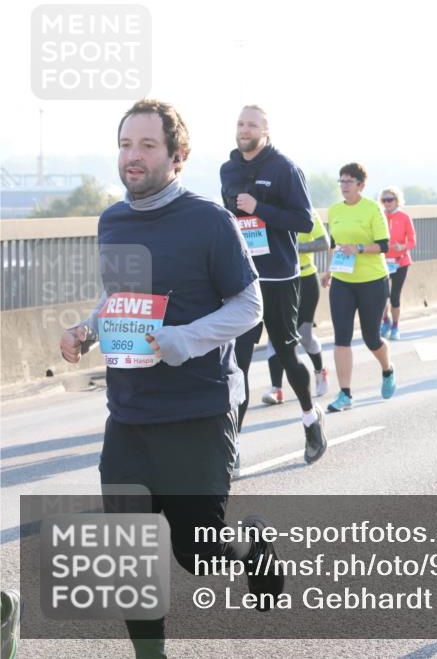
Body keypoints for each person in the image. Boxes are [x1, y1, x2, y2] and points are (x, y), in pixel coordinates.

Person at [61, 99, 285, 658]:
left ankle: (253, 547)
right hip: (130, 414)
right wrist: (88, 330)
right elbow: (118, 298)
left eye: (147, 146)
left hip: (196, 411)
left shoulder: (208, 220)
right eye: (125, 145)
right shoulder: (112, 221)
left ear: (177, 157)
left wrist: (186, 339)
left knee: (198, 554)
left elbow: (250, 303)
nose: (132, 157)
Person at [220, 105, 326, 465]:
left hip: (280, 276)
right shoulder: (228, 169)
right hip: (243, 279)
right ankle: (231, 446)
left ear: (266, 130)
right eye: (240, 123)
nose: (244, 129)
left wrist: (259, 207)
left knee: (285, 352)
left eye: (252, 124)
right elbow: (230, 220)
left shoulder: (284, 168)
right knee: (238, 363)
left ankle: (311, 418)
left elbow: (304, 221)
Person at [321, 163, 397, 412]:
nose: (343, 186)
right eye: (341, 181)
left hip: (372, 281)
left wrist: (360, 249)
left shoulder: (373, 209)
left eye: (348, 181)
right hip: (343, 281)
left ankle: (387, 369)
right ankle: (345, 394)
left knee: (371, 338)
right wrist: (330, 270)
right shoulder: (334, 210)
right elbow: (336, 243)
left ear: (361, 185)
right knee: (341, 338)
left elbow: (384, 245)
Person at [261, 209, 331, 405]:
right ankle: (277, 389)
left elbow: (323, 242)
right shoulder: (264, 212)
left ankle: (319, 371)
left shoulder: (305, 212)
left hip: (305, 278)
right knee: (276, 335)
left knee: (304, 334)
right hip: (277, 280)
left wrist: (293, 246)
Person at [378, 186, 417, 340]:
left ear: (397, 200)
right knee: (381, 296)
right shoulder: (379, 216)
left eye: (390, 200)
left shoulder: (404, 217)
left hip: (400, 262)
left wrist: (404, 246)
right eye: (384, 200)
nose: (387, 203)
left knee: (394, 296)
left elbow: (413, 240)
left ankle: (395, 326)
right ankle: (385, 321)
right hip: (382, 262)